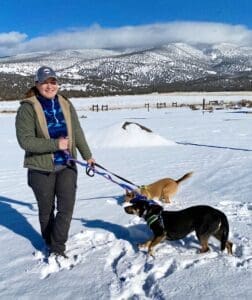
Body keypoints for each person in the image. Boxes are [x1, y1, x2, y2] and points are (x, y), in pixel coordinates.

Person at [16, 66, 95, 258]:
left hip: (67, 164)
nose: (49, 86)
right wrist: (55, 144)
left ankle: (58, 247)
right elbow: (25, 141)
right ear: (37, 84)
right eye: (44, 82)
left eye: (53, 82)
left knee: (66, 208)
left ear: (57, 84)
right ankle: (49, 242)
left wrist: (87, 156)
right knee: (46, 210)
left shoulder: (66, 104)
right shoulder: (27, 108)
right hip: (40, 168)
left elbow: (77, 132)